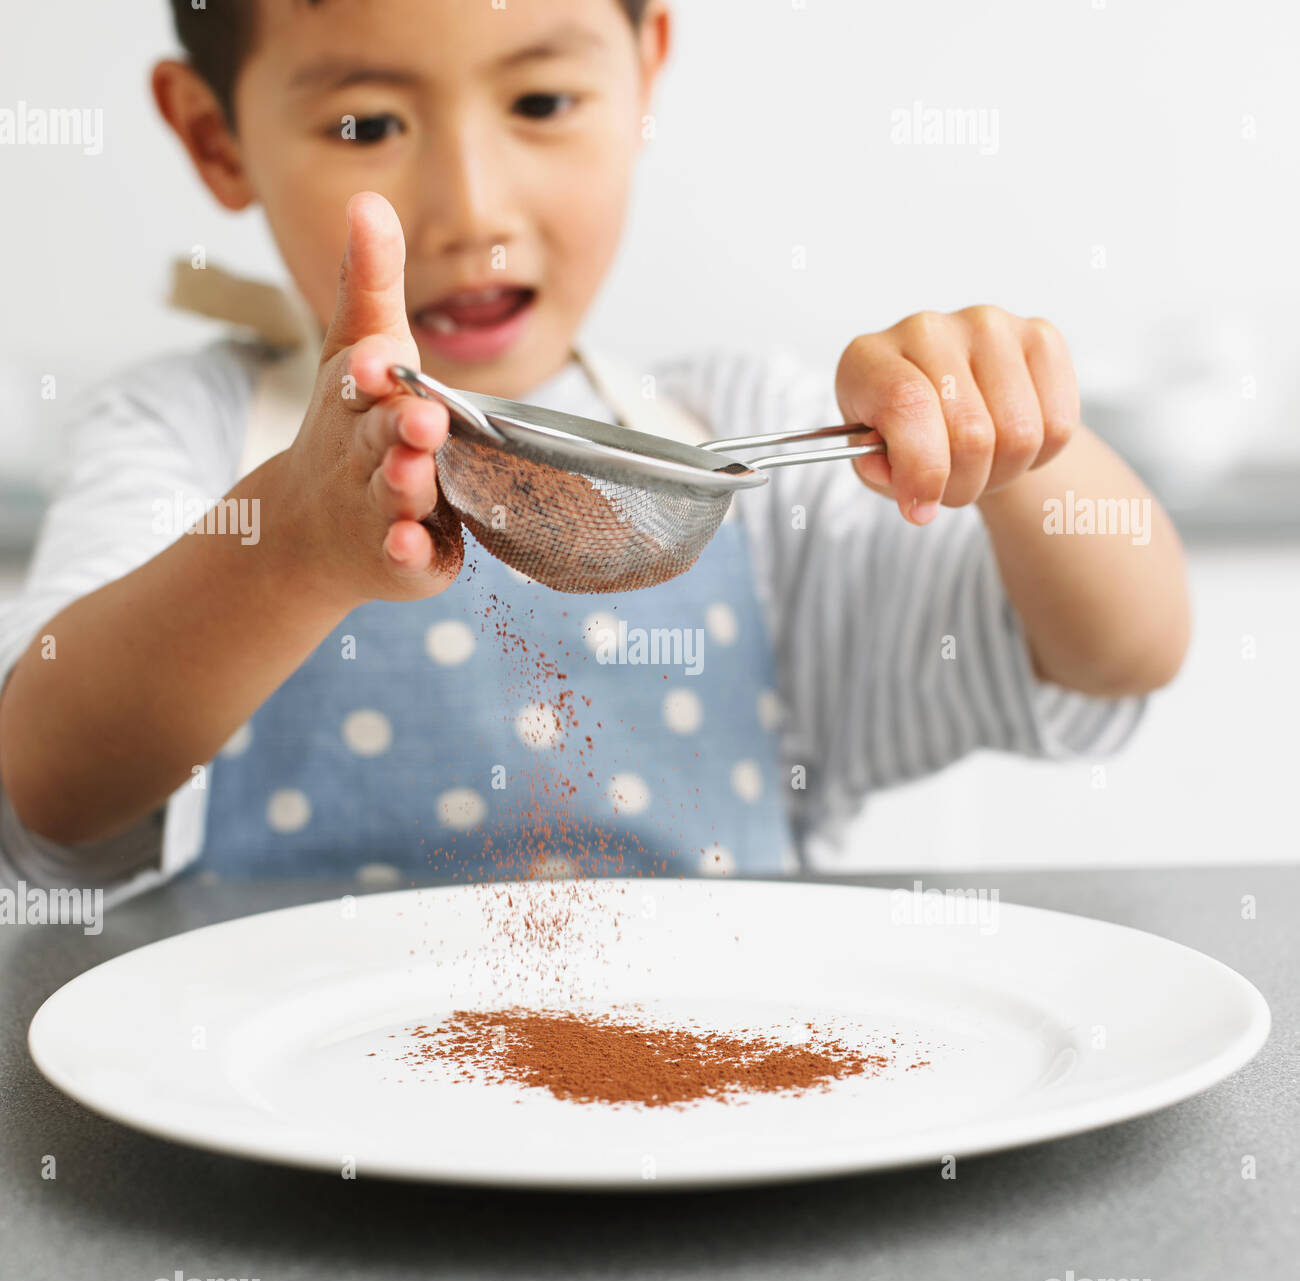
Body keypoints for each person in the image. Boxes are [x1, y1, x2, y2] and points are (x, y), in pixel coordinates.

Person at [0, 0, 1189, 903]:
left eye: (539, 102)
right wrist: (288, 552)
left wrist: (1026, 450)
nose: (472, 206)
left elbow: (1111, 657)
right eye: (368, 123)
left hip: (710, 1108)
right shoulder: (181, 435)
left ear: (644, 74)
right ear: (215, 139)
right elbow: (51, 788)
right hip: (289, 1139)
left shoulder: (737, 427)